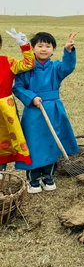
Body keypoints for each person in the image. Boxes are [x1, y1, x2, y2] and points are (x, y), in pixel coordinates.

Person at [14, 32, 78, 193]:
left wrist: (69, 51)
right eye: (40, 46)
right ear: (32, 49)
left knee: (52, 142)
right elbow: (17, 87)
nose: (44, 49)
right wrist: (32, 97)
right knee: (34, 144)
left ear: (53, 50)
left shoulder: (56, 67)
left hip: (54, 110)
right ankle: (33, 179)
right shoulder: (26, 67)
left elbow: (68, 67)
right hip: (34, 112)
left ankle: (48, 176)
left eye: (48, 46)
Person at [0, 29, 34, 173]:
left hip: (5, 105)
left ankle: (1, 167)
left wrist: (24, 45)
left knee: (7, 134)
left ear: (0, 45)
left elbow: (28, 64)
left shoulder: (7, 61)